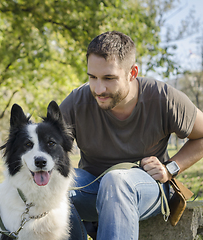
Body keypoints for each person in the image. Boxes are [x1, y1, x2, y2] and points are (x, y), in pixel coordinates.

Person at [60, 31, 203, 240]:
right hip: (93, 189)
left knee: (116, 181)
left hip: (146, 189)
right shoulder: (77, 101)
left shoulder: (162, 98)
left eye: (109, 78)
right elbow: (46, 145)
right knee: (56, 184)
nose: (98, 88)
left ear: (132, 72)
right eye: (92, 77)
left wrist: (170, 168)